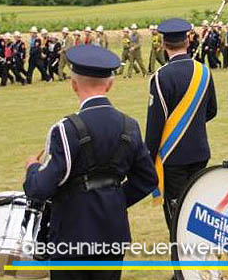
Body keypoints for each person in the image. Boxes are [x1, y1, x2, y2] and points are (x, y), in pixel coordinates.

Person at [23, 44, 158, 280]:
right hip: (112, 230)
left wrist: (32, 168)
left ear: (74, 85)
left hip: (71, 234)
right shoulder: (130, 125)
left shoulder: (65, 129)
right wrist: (112, 199)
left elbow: (39, 189)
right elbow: (147, 179)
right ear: (110, 84)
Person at [145, 18, 217, 239]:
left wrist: (148, 157)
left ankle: (181, 272)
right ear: (187, 41)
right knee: (198, 210)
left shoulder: (160, 77)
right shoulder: (203, 71)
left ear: (164, 45)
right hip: (200, 151)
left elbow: (155, 124)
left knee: (177, 217)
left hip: (172, 155)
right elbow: (212, 111)